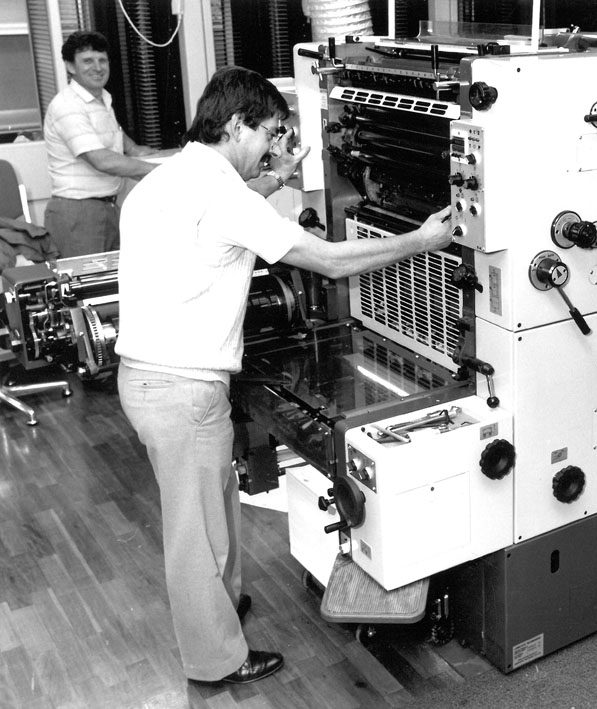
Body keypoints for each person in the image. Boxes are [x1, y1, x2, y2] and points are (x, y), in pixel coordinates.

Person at [114, 65, 452, 685]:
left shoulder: (170, 179)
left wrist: (274, 182)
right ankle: (216, 659)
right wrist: (420, 241)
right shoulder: (220, 194)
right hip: (180, 386)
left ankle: (222, 606)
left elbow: (223, 222)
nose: (274, 143)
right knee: (195, 531)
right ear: (238, 124)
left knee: (215, 509)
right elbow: (322, 259)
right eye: (270, 131)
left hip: (156, 379)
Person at [43, 31, 158, 257]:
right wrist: (157, 171)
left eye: (102, 60)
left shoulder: (101, 98)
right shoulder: (67, 106)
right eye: (87, 61)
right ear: (70, 66)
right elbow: (101, 160)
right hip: (79, 213)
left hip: (108, 207)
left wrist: (133, 148)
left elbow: (110, 131)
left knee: (111, 285)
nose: (97, 67)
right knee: (85, 288)